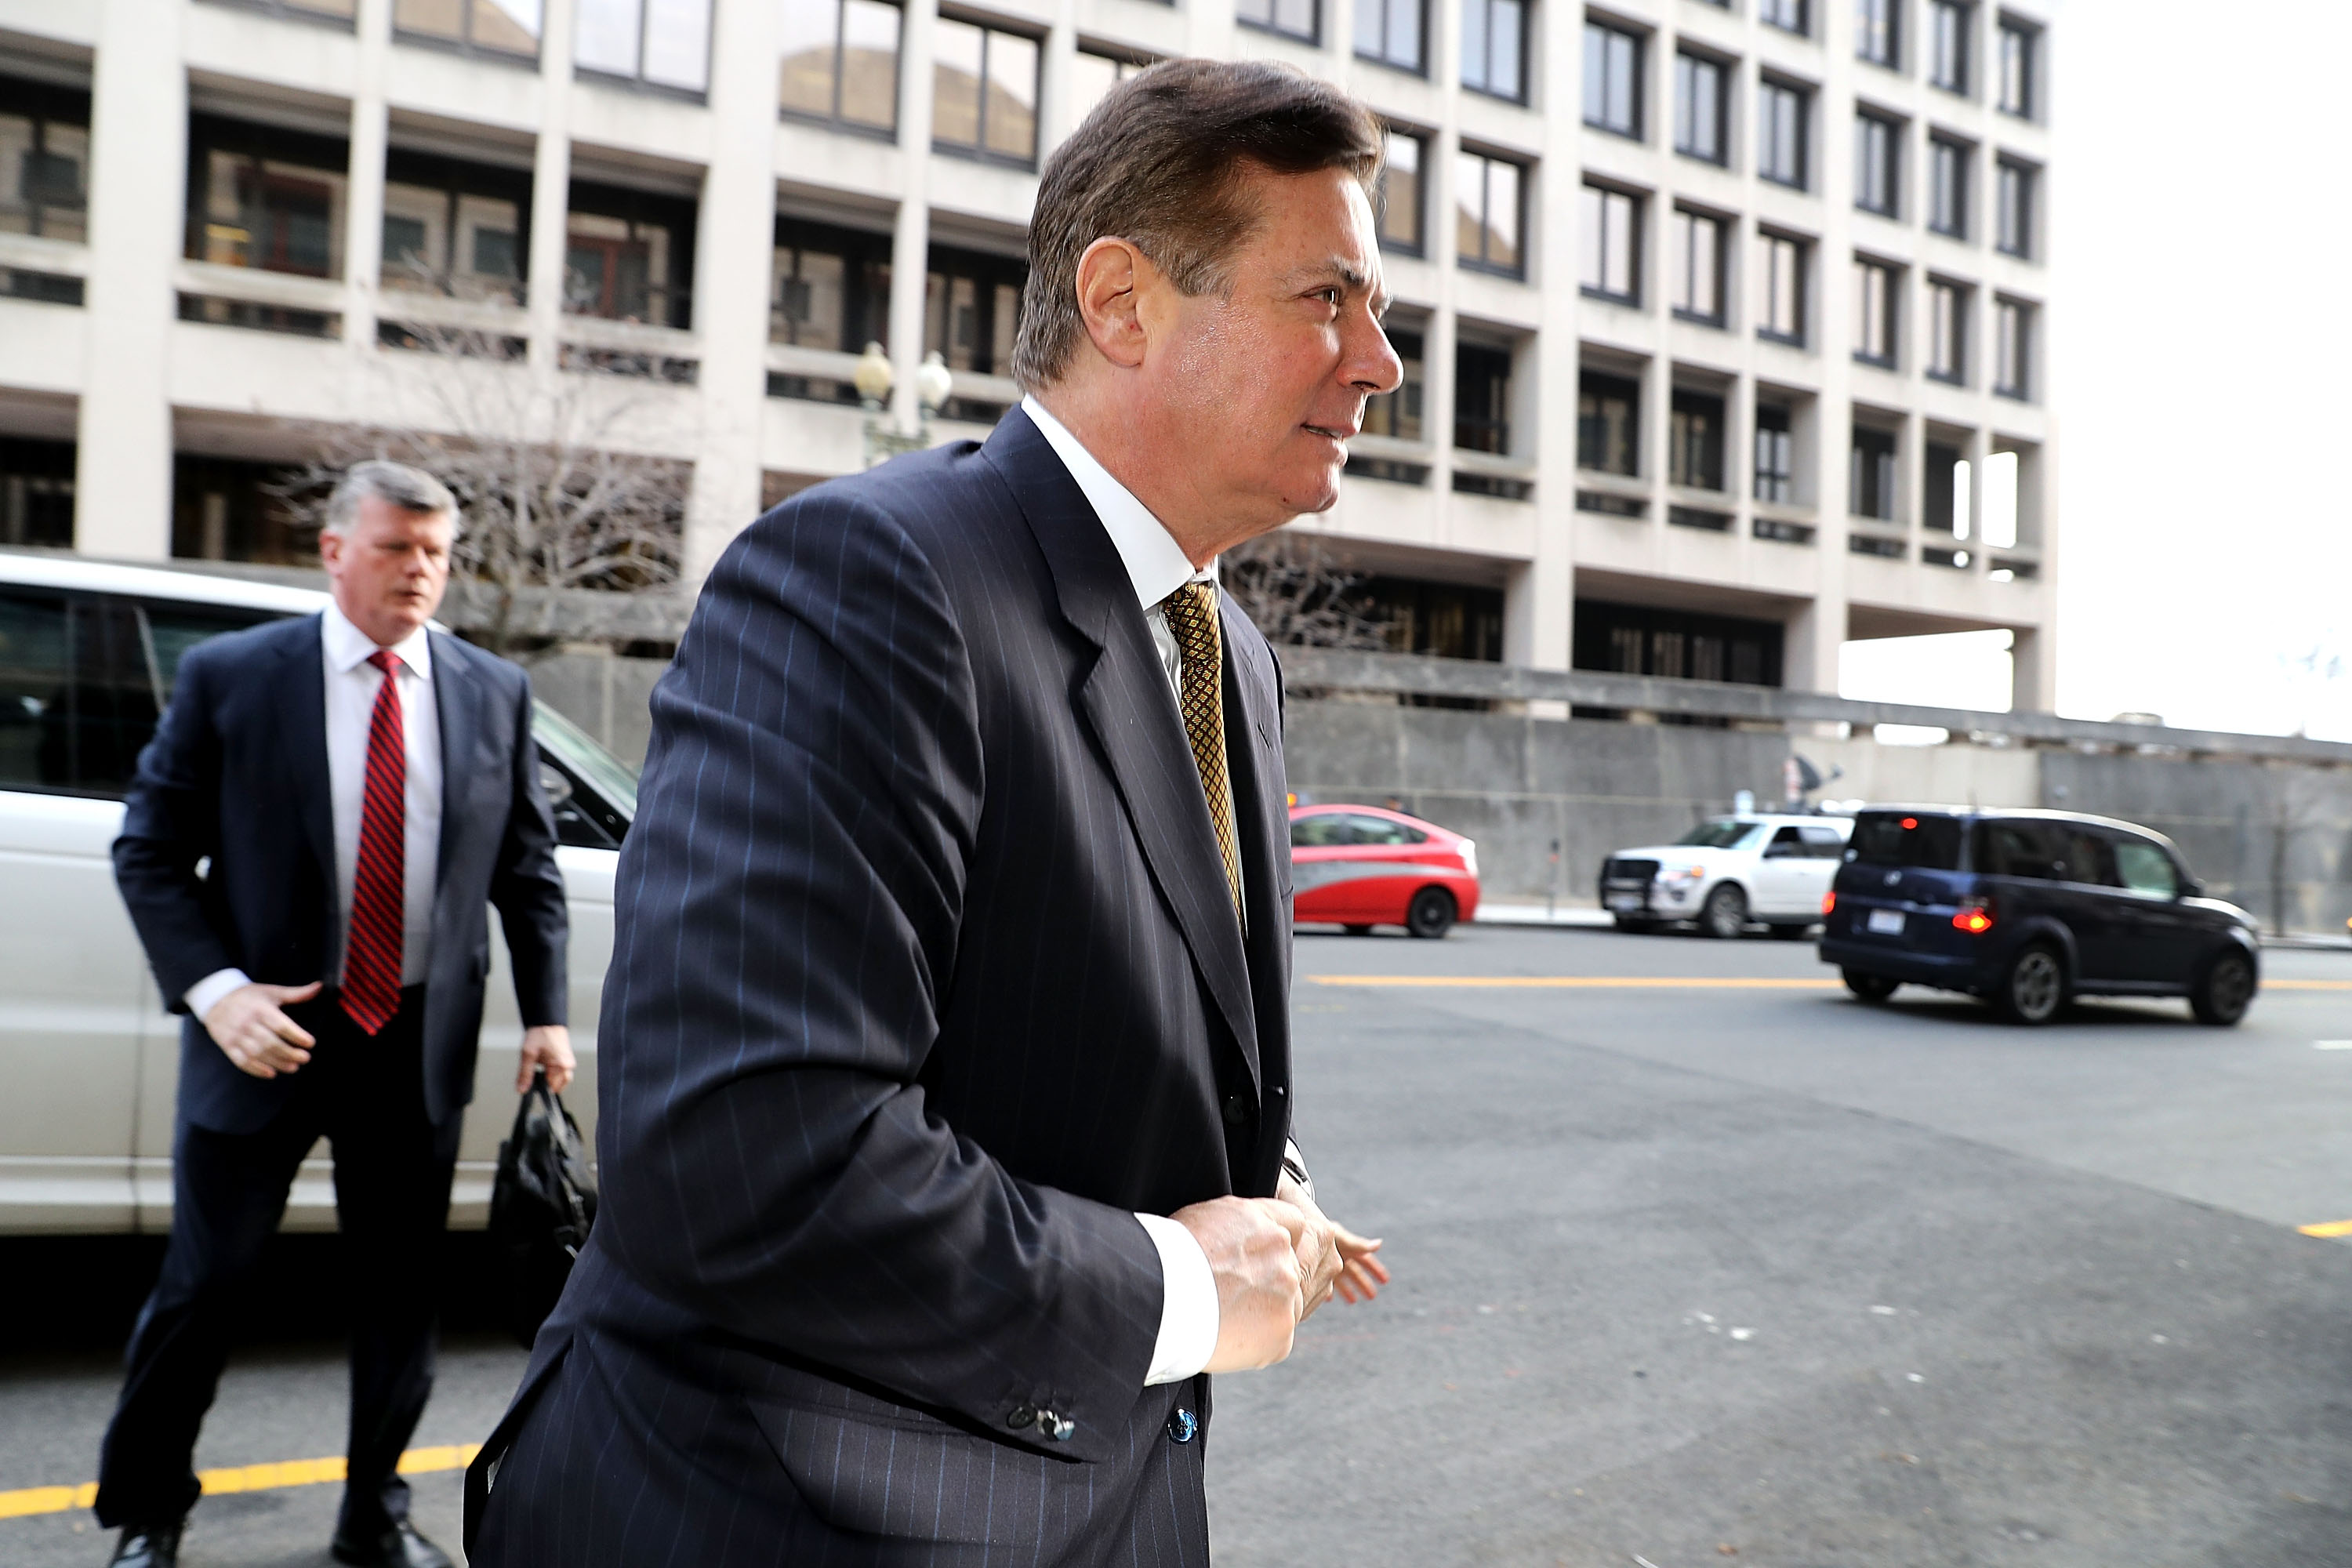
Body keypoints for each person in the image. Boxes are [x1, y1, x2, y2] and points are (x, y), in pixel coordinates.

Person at [466, 58, 1398, 1566]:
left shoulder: (1233, 657)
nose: (1380, 362)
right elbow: (748, 1160)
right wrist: (1174, 1284)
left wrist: (1255, 1183)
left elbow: (1088, 1031)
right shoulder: (866, 579)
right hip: (795, 1521)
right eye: (1328, 299)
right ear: (1123, 302)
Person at [98, 461, 575, 1568]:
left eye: (437, 554)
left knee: (400, 1300)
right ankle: (147, 1517)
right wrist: (217, 997)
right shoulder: (233, 677)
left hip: (412, 1042)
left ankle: (376, 1514)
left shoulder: (489, 689)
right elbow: (149, 852)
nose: (421, 571)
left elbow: (529, 869)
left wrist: (546, 1012)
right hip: (263, 1038)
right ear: (333, 551)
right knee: (203, 1289)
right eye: (397, 547)